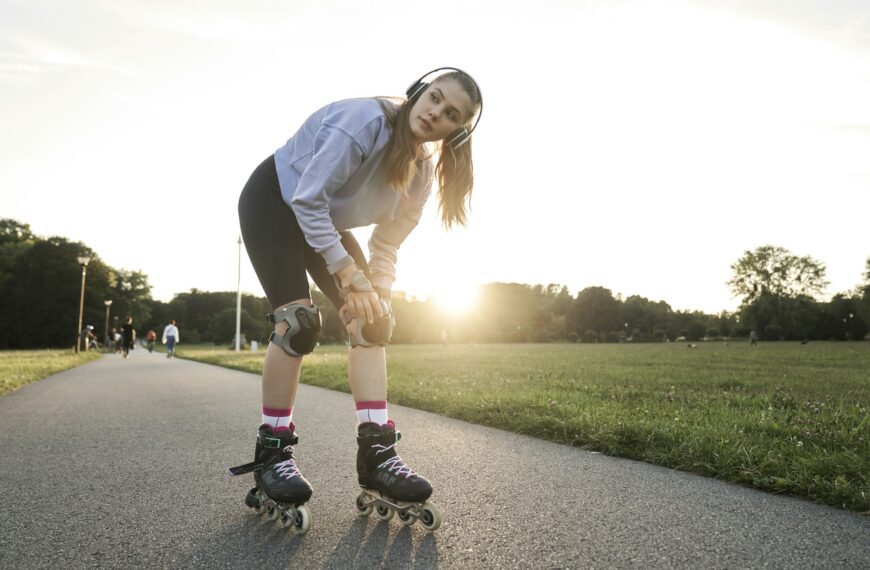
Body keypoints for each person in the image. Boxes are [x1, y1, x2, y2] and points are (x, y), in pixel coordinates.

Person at [230, 68, 482, 533]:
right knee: (300, 324)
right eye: (434, 98)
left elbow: (387, 245)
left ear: (456, 130)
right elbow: (307, 201)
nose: (434, 113)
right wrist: (348, 275)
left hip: (321, 219)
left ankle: (378, 455)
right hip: (276, 201)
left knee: (372, 324)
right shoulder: (364, 121)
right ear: (417, 92)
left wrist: (376, 296)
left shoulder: (421, 173)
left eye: (450, 114)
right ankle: (274, 453)